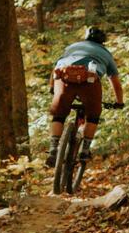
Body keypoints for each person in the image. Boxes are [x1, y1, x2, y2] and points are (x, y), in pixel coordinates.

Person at [48, 27, 124, 167]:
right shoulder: (105, 54)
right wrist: (119, 102)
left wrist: (52, 88)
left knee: (58, 115)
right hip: (89, 82)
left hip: (64, 79)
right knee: (93, 116)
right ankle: (84, 151)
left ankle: (53, 149)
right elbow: (115, 83)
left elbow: (56, 68)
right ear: (103, 42)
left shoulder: (72, 47)